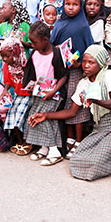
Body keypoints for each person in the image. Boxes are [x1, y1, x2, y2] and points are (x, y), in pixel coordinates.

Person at [29, 45, 111, 180]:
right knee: (76, 158)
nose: (86, 66)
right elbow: (71, 112)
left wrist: (93, 100)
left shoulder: (107, 75)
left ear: (101, 63)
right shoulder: (83, 83)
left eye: (91, 62)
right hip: (99, 129)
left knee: (96, 162)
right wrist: (46, 115)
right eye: (84, 61)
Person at [51, 0, 94, 150]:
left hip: (76, 71)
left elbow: (90, 48)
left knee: (76, 103)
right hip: (60, 70)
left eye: (75, 5)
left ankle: (78, 139)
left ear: (80, 6)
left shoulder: (83, 26)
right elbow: (52, 42)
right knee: (64, 102)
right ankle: (68, 137)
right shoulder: (59, 23)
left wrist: (80, 63)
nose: (70, 7)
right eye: (67, 4)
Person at [23, 21, 68, 166]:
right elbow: (31, 73)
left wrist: (53, 91)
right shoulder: (35, 53)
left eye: (35, 42)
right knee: (35, 117)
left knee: (45, 119)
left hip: (53, 94)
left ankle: (55, 151)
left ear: (46, 40)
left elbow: (64, 76)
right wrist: (30, 86)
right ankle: (43, 147)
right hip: (39, 93)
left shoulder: (55, 54)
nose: (32, 45)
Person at [0, 37, 32, 155]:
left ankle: (27, 141)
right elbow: (8, 81)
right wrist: (5, 90)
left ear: (16, 52)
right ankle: (20, 141)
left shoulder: (26, 64)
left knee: (21, 116)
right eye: (3, 56)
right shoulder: (7, 66)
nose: (5, 59)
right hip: (19, 95)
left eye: (7, 56)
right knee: (12, 116)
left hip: (28, 95)